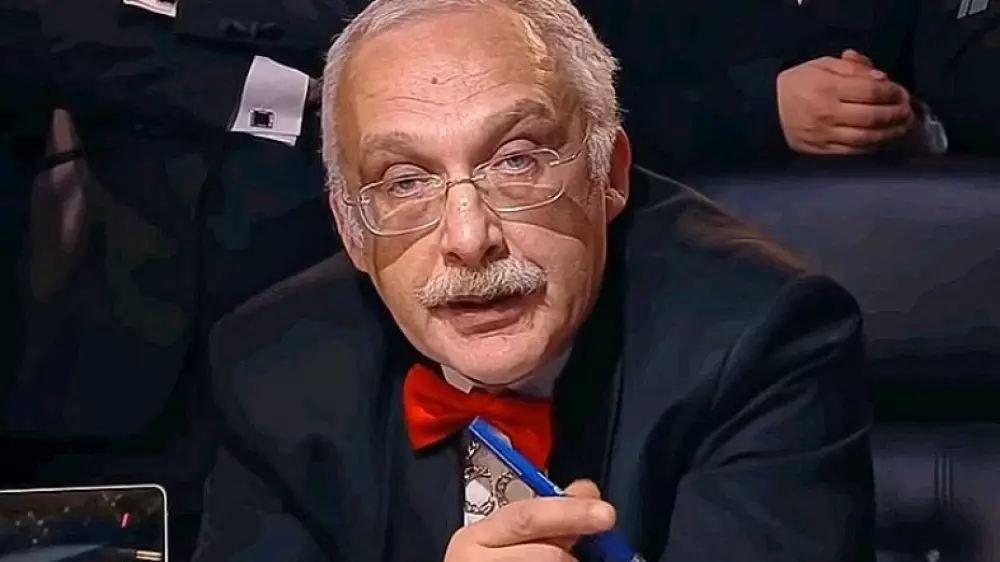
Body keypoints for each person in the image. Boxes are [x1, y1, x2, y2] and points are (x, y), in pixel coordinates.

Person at [195, 0, 875, 560]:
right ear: (350, 230)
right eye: (405, 182)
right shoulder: (273, 368)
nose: (469, 240)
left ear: (609, 174)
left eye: (516, 162)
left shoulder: (762, 337)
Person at [579, 0, 943, 175]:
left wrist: (900, 121)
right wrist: (762, 108)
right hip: (683, 235)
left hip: (902, 226)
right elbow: (579, 110)